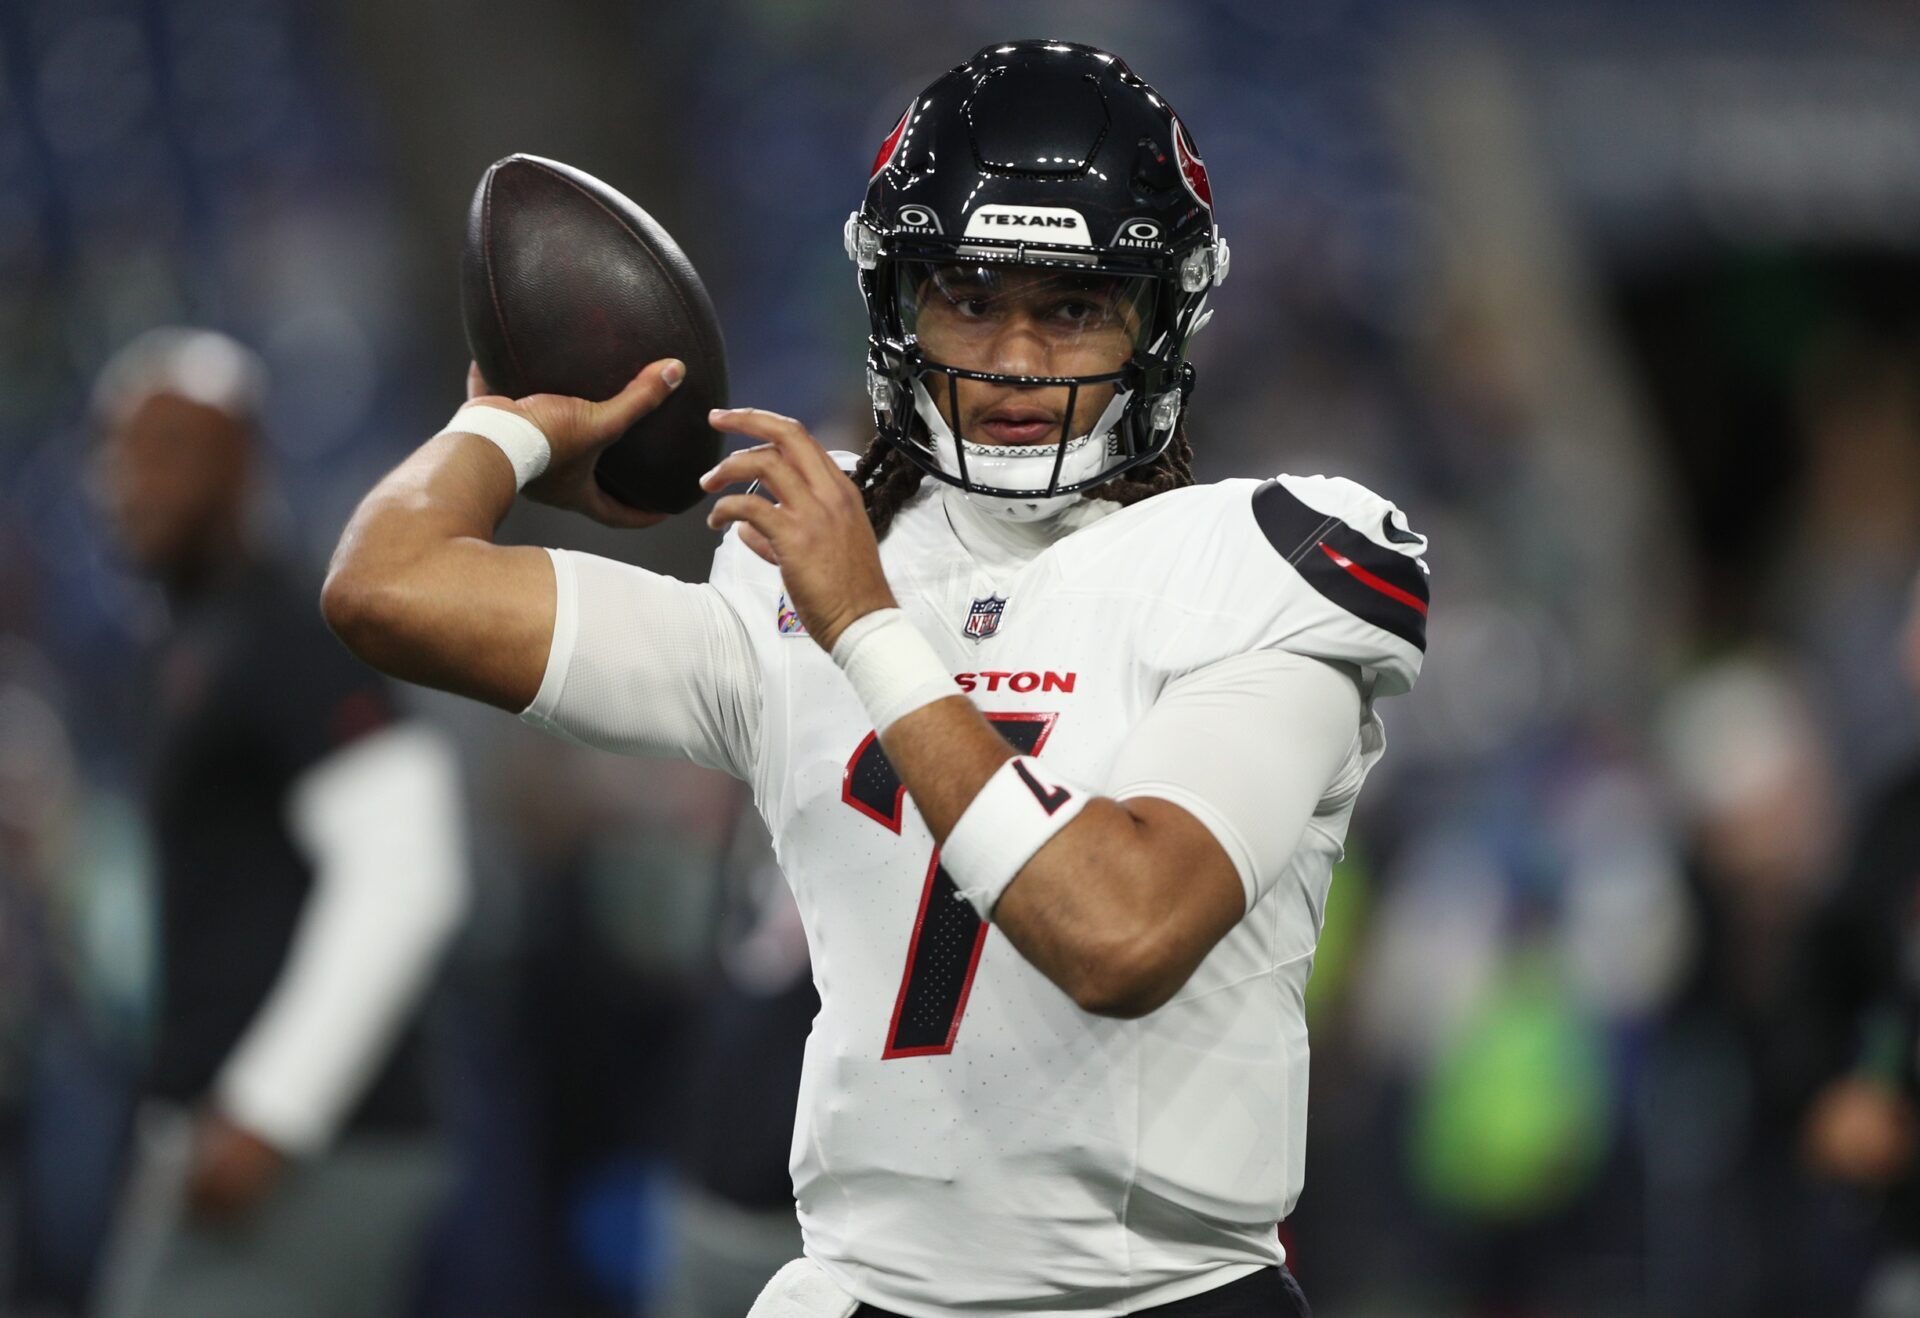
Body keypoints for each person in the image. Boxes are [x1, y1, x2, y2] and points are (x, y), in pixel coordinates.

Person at [324, 41, 1428, 1318]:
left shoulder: (1266, 558)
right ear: (899, 305)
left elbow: (1119, 933)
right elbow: (385, 584)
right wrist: (513, 428)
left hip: (1156, 1298)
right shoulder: (800, 565)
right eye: (968, 296)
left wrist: (865, 623)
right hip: (871, 1291)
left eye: (1070, 307)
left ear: (1161, 319)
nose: (1014, 356)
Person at [86, 329, 470, 1318]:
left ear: (243, 458)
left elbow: (408, 871)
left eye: (167, 445)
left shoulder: (287, 635)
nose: (127, 478)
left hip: (308, 1153)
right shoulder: (192, 640)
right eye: (118, 448)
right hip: (242, 1135)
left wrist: (270, 1111)